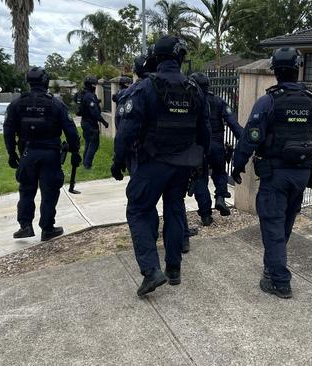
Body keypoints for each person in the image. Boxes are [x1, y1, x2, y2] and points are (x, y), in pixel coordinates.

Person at [231, 47, 312, 299]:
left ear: (275, 71)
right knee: (285, 222)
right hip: (301, 175)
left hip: (275, 175)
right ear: (297, 69)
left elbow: (251, 136)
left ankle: (279, 281)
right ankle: (272, 267)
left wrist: (237, 163)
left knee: (273, 225)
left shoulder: (269, 101)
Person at [112, 35, 210, 297]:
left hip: (152, 163)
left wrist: (118, 161)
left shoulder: (145, 88)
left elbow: (126, 132)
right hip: (182, 165)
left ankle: (151, 271)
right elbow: (205, 133)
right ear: (179, 58)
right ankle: (174, 269)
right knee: (175, 210)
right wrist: (202, 164)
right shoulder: (195, 89)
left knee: (138, 211)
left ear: (155, 57)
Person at [4, 67, 81, 242]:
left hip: (27, 153)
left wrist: (11, 153)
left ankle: (25, 226)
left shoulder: (16, 104)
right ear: (45, 82)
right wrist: (75, 151)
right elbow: (70, 130)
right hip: (50, 155)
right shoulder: (56, 104)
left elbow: (8, 130)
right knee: (50, 192)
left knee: (26, 190)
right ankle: (47, 228)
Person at [189, 72, 243, 226]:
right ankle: (220, 197)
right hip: (217, 146)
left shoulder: (191, 102)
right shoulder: (218, 101)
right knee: (219, 171)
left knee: (200, 178)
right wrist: (246, 142)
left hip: (197, 147)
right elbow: (233, 124)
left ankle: (205, 215)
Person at [79, 75, 109, 169]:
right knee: (94, 144)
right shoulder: (89, 96)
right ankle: (87, 164)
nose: (95, 87)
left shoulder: (84, 94)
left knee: (88, 142)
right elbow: (94, 112)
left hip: (85, 122)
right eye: (94, 85)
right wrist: (104, 122)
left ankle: (85, 163)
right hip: (90, 123)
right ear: (90, 85)